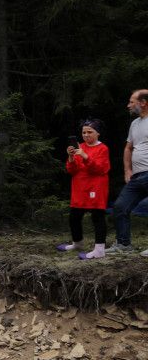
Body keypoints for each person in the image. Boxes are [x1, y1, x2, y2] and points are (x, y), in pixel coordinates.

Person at [57, 120, 110, 260]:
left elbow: (100, 169)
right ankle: (78, 243)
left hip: (96, 187)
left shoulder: (103, 148)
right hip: (79, 187)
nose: (86, 135)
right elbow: (72, 170)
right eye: (84, 132)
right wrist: (71, 156)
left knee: (97, 216)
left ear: (98, 133)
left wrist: (85, 156)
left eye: (90, 132)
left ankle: (99, 250)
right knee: (74, 216)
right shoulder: (79, 147)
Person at [110, 89, 148, 255]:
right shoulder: (135, 124)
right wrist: (127, 170)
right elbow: (128, 148)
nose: (128, 105)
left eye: (131, 101)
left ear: (143, 102)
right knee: (120, 206)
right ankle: (124, 244)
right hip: (137, 176)